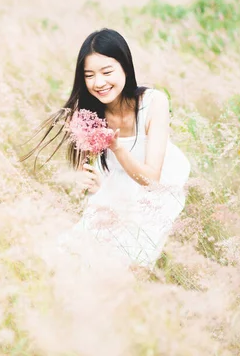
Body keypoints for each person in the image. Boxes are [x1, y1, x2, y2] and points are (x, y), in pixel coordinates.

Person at [23, 28, 190, 269]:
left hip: (157, 187)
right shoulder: (90, 113)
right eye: (89, 75)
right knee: (72, 253)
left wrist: (117, 147)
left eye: (107, 72)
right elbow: (96, 169)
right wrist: (88, 180)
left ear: (125, 67)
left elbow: (152, 180)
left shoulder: (154, 102)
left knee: (127, 258)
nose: (98, 83)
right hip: (116, 185)